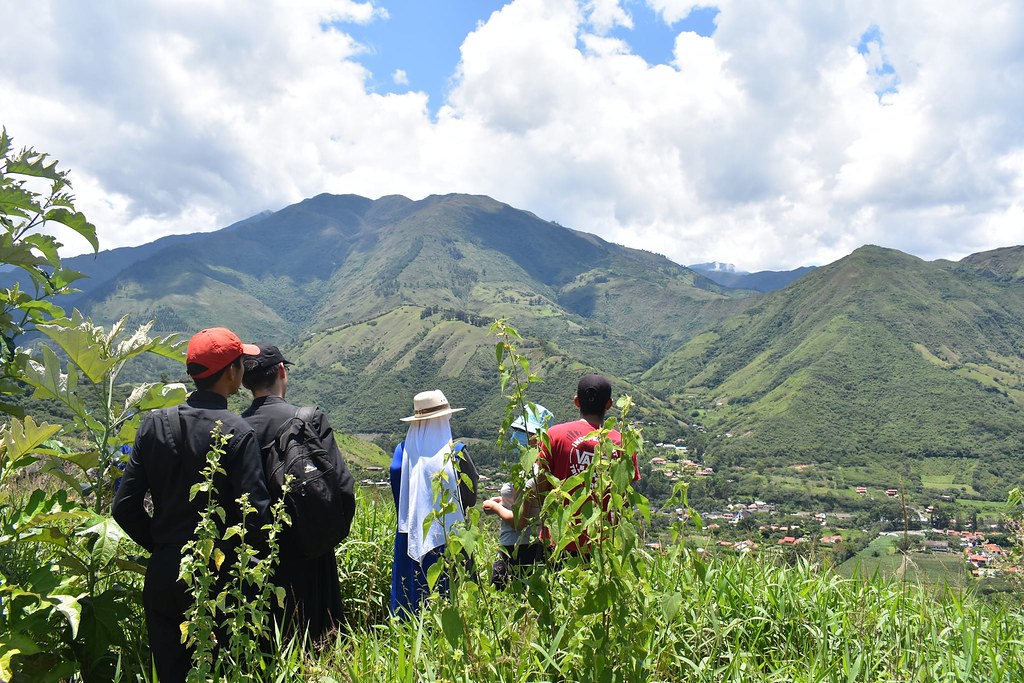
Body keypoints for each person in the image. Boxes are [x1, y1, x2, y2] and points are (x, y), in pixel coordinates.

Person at [112, 327, 271, 683]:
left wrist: (163, 546)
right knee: (220, 671)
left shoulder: (153, 424)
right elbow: (256, 515)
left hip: (165, 574)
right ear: (232, 372)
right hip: (221, 576)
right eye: (241, 362)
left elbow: (124, 506)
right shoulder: (237, 431)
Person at [240, 344, 356, 644]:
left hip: (257, 560)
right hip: (312, 554)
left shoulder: (233, 429)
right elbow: (342, 486)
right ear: (281, 371)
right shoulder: (307, 419)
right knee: (320, 642)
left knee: (270, 644)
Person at [390, 390, 477, 616]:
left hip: (409, 534)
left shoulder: (401, 454)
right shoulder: (456, 453)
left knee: (410, 593)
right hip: (449, 536)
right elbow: (471, 497)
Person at [536, 373, 640, 555]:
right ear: (609, 404)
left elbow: (542, 486)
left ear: (576, 401)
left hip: (557, 538)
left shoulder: (554, 435)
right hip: (602, 543)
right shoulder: (624, 443)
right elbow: (624, 497)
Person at [482, 403, 553, 588]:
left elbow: (519, 522)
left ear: (537, 437)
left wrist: (495, 508)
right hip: (529, 546)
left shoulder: (532, 473)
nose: (516, 436)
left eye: (522, 431)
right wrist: (503, 501)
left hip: (517, 549)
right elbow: (527, 504)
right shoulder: (540, 469)